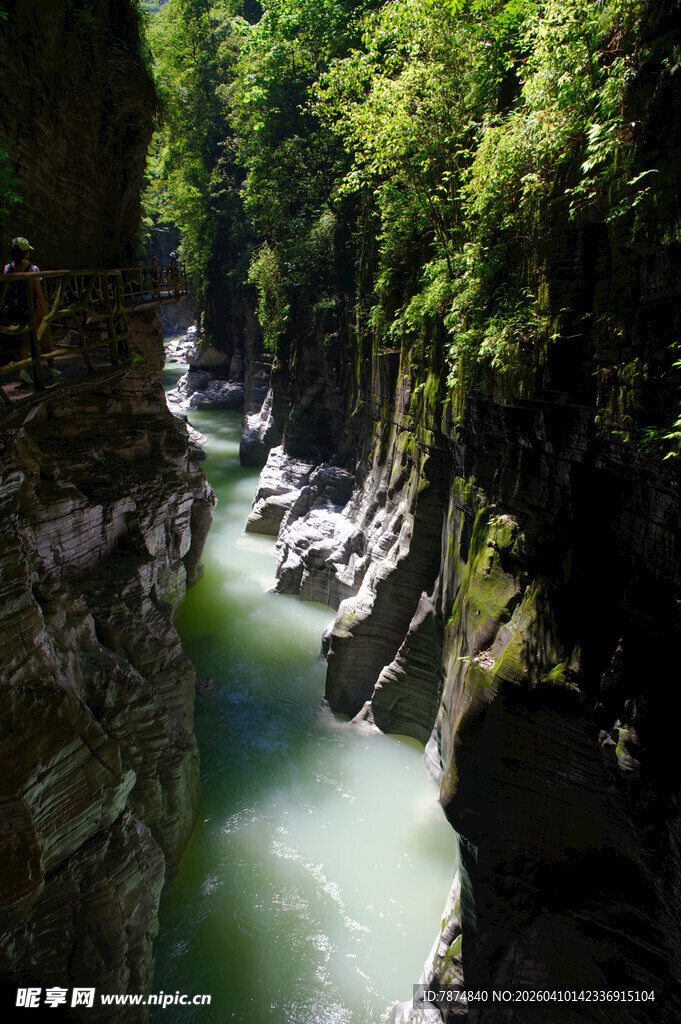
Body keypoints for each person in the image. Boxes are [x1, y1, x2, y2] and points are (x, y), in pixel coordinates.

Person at [3, 237, 57, 384]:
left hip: (16, 310)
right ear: (26, 253)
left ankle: (23, 371)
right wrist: (46, 312)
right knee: (45, 338)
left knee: (23, 342)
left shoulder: (7, 268)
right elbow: (38, 294)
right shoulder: (32, 269)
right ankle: (52, 368)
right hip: (32, 309)